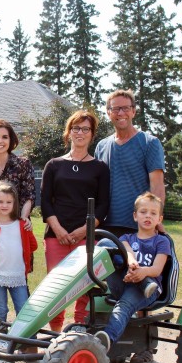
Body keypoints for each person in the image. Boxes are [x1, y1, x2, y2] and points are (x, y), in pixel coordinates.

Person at [94, 88, 166, 363]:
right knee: (118, 285)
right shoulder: (102, 146)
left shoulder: (149, 143)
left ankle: (146, 346)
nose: (120, 113)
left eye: (125, 108)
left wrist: (156, 220)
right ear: (109, 112)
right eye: (115, 109)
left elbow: (157, 184)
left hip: (140, 225)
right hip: (111, 226)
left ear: (134, 110)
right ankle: (119, 344)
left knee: (144, 287)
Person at [40, 110, 110, 331]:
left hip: (86, 237)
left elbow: (103, 206)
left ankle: (80, 328)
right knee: (55, 287)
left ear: (92, 134)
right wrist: (58, 229)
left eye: (85, 129)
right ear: (69, 132)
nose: (80, 133)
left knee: (84, 285)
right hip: (55, 236)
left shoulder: (100, 168)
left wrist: (84, 231)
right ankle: (55, 331)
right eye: (76, 128)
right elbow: (45, 201)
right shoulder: (53, 165)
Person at [95, 192, 170, 353]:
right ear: (135, 216)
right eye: (143, 212)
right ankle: (144, 282)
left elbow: (157, 269)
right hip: (124, 281)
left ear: (159, 219)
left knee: (123, 306)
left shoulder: (162, 241)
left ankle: (105, 340)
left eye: (153, 213)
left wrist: (143, 272)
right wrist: (132, 264)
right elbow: (127, 253)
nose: (148, 216)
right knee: (105, 242)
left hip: (147, 290)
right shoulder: (127, 238)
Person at [0, 181, 38, 322]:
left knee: (23, 310)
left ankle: (25, 342)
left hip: (18, 276)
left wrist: (29, 229)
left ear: (14, 203)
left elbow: (33, 246)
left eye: (8, 202)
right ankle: (0, 340)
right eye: (1, 202)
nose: (4, 205)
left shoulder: (22, 225)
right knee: (0, 310)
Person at [0, 119, 35, 231]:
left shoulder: (23, 164)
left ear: (10, 140)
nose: (0, 141)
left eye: (4, 137)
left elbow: (29, 196)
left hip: (17, 224)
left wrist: (23, 218)